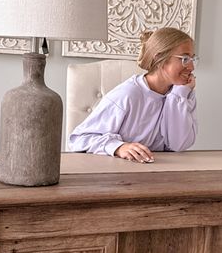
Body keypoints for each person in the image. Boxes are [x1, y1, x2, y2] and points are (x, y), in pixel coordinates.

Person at [68, 27, 197, 162]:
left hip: (161, 173)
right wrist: (119, 147)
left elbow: (178, 145)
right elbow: (78, 139)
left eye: (192, 59)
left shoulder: (182, 93)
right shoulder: (128, 95)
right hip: (121, 175)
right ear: (160, 58)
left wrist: (179, 94)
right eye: (185, 59)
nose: (192, 67)